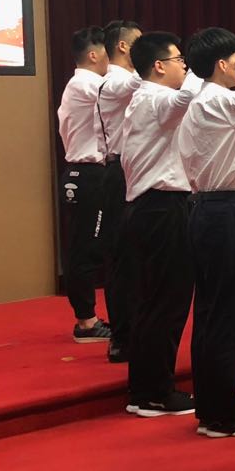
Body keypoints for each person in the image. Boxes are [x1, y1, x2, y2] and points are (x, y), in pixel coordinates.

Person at [179, 28, 235, 437]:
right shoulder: (214, 99)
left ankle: (214, 407)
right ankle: (222, 412)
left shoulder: (210, 100)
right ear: (221, 65)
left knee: (216, 311)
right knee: (225, 314)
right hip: (221, 209)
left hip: (217, 208)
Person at [119, 31, 202, 417]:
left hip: (153, 207)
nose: (183, 66)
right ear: (158, 66)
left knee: (156, 300)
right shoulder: (155, 97)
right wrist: (206, 63)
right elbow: (187, 97)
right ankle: (154, 391)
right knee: (167, 300)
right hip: (161, 207)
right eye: (179, 60)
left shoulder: (148, 98)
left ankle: (146, 389)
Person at [56, 26, 112, 344]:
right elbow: (121, 92)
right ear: (93, 55)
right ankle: (86, 322)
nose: (110, 61)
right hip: (86, 174)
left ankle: (89, 318)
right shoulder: (85, 84)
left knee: (92, 246)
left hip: (90, 174)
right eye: (107, 53)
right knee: (85, 248)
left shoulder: (86, 84)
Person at [98, 19, 142, 363]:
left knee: (141, 256)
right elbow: (144, 79)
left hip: (139, 171)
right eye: (140, 42)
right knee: (122, 256)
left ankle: (138, 330)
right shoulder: (114, 81)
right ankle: (122, 334)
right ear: (124, 46)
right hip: (119, 172)